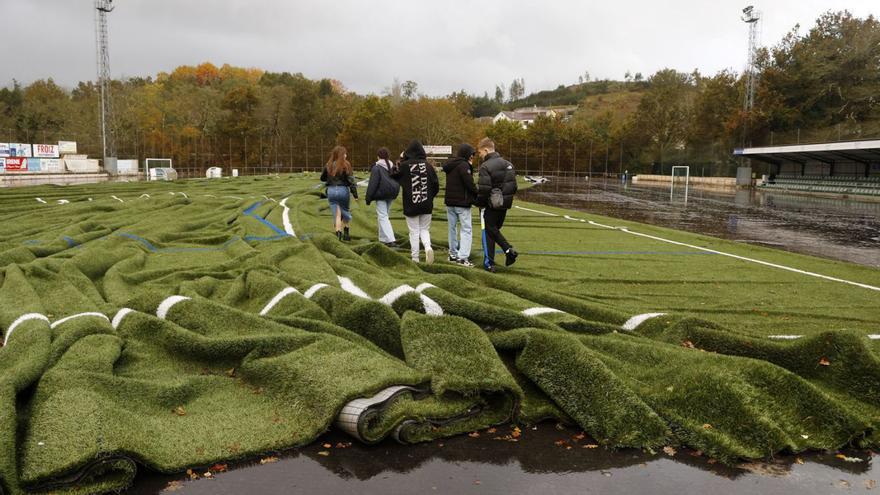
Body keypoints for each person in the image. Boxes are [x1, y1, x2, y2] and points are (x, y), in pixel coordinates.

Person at [393, 140, 439, 263]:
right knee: (424, 229)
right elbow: (436, 185)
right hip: (426, 204)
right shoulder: (428, 166)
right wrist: (430, 197)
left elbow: (393, 174)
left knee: (414, 232)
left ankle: (415, 258)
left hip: (411, 204)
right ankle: (428, 247)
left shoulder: (404, 166)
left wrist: (401, 159)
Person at [476, 137, 518, 272]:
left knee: (489, 230)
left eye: (480, 153)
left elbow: (484, 189)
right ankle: (494, 260)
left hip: (491, 205)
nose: (480, 156)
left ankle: (503, 253)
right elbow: (514, 186)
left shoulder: (486, 166)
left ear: (486, 150)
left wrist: (480, 203)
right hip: (504, 204)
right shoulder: (509, 164)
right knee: (493, 231)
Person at [442, 143, 478, 267]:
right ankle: (462, 258)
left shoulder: (451, 165)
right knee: (466, 230)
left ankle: (453, 254)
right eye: (471, 155)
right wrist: (477, 195)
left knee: (452, 229)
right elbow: (469, 184)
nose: (472, 158)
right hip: (462, 203)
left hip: (450, 203)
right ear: (467, 155)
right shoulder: (464, 166)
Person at [320, 145, 358, 241]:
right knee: (345, 211)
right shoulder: (346, 165)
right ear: (342, 154)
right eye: (345, 153)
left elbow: (322, 178)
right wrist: (355, 194)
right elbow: (351, 181)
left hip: (331, 191)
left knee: (337, 214)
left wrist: (329, 177)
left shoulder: (328, 165)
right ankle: (346, 231)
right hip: (343, 190)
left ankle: (338, 233)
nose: (346, 155)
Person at [365, 147, 400, 246]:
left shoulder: (377, 168)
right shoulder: (392, 166)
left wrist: (368, 198)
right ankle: (383, 238)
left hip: (381, 195)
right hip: (391, 193)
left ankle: (390, 239)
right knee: (384, 216)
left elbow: (373, 184)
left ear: (378, 156)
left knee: (383, 216)